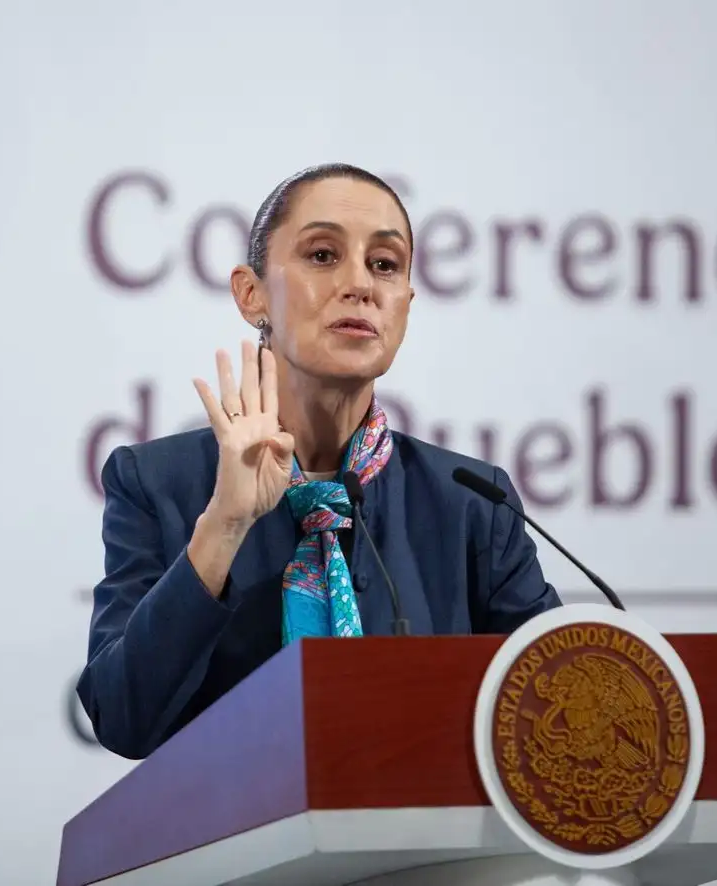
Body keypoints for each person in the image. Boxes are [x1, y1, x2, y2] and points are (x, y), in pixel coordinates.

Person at [77, 163, 561, 759]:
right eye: (323, 255)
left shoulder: (472, 503)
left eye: (385, 265)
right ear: (251, 294)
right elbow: (123, 719)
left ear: (405, 304)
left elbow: (556, 710)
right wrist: (224, 527)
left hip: (424, 848)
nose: (360, 285)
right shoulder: (158, 483)